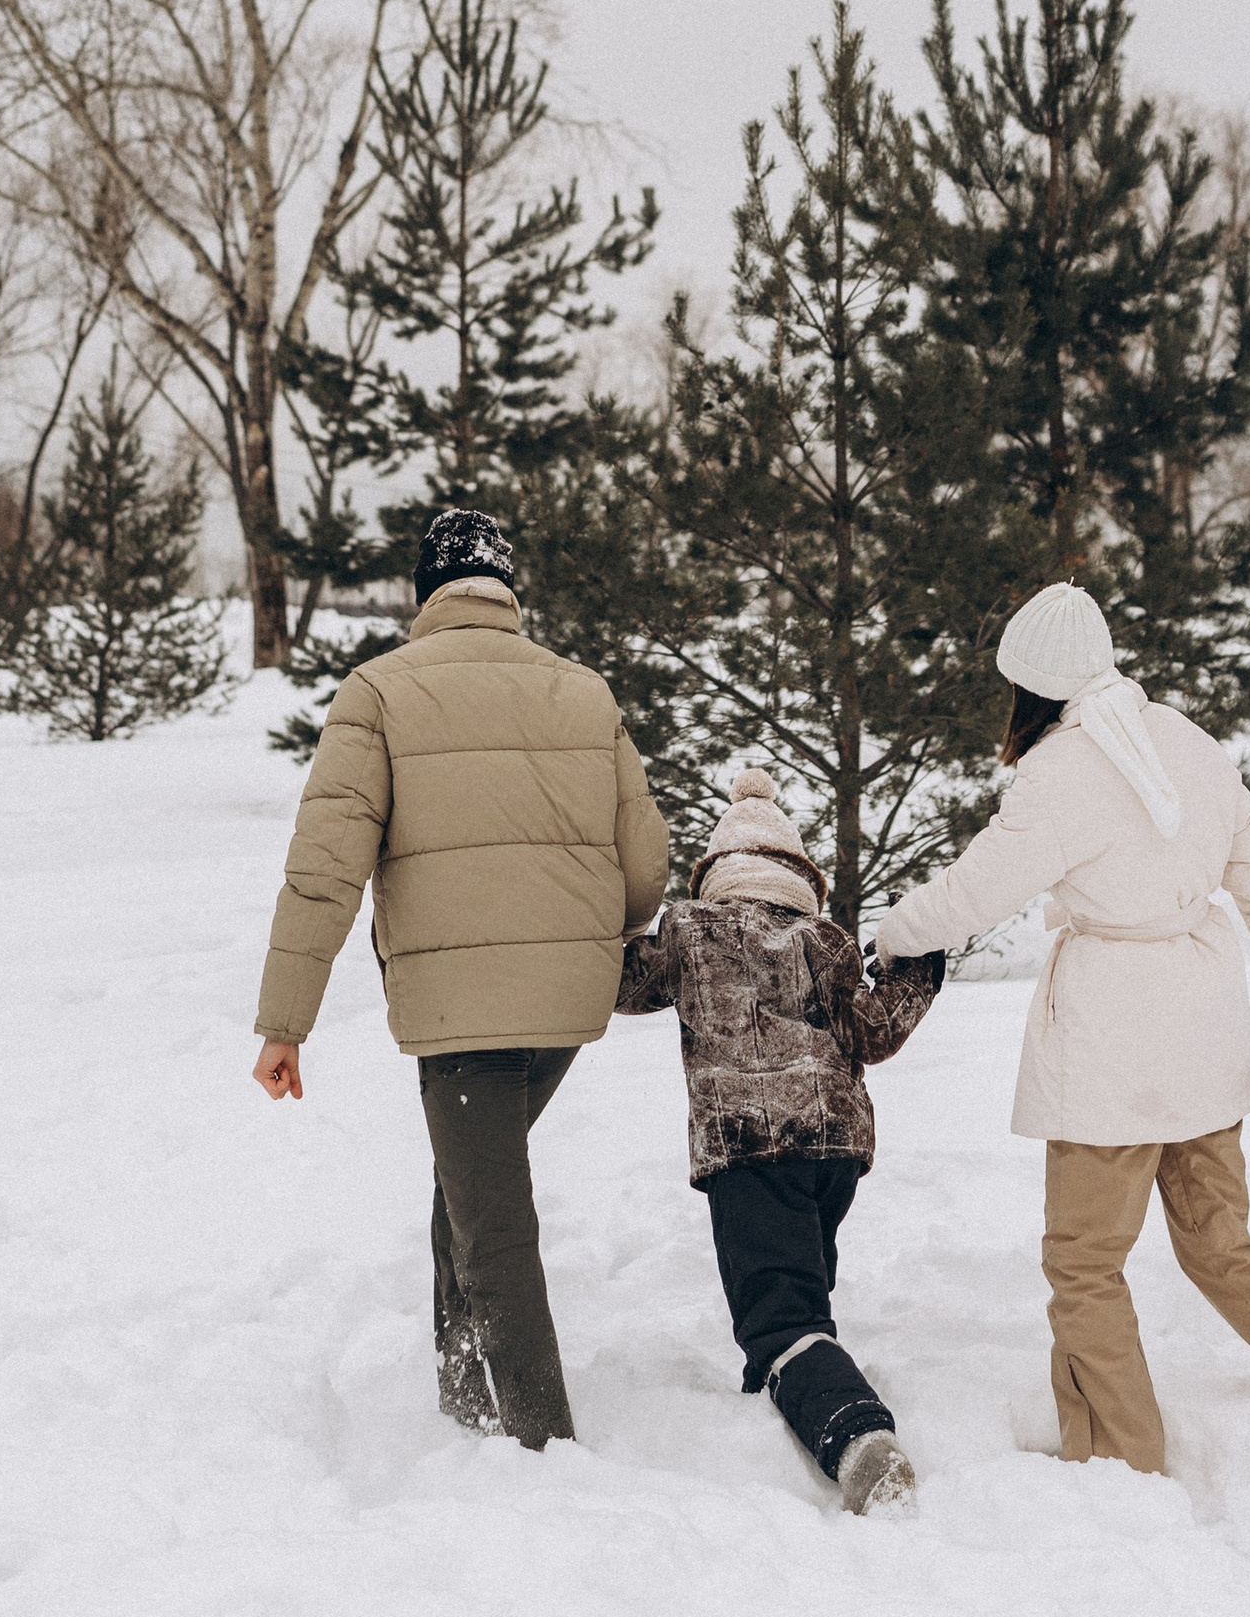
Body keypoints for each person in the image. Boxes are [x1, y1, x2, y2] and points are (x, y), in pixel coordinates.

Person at [872, 582, 1250, 1477]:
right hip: (1202, 1030)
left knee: (1085, 1265)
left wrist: (889, 934)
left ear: (1031, 685)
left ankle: (1126, 1465)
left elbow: (975, 891)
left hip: (1110, 1054)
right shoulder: (1185, 738)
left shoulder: (1057, 771)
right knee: (1224, 1247)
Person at [250, 503, 668, 1450]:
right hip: (564, 1006)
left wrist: (285, 1023)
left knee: (495, 1227)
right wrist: (589, 935)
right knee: (472, 1184)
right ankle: (462, 1393)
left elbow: (326, 869)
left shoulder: (379, 690)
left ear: (424, 590)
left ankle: (538, 1442)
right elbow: (645, 865)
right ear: (508, 589)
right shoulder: (585, 691)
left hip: (456, 1011)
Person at [615, 766, 945, 1516]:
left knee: (781, 1315)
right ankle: (789, 1384)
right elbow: (873, 1029)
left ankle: (856, 1435)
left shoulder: (691, 932)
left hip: (748, 1144)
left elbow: (621, 983)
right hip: (833, 1147)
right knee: (803, 1278)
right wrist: (919, 968)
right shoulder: (824, 940)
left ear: (716, 876)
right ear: (801, 879)